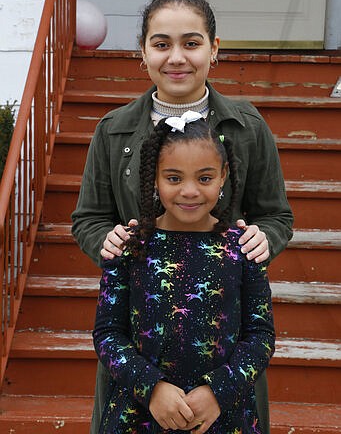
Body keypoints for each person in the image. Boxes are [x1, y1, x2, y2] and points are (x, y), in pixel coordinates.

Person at [71, 0, 293, 433]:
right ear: (143, 52)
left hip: (223, 354)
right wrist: (106, 240)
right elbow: (89, 219)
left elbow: (276, 216)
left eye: (191, 43)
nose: (176, 57)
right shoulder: (113, 131)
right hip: (142, 354)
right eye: (161, 44)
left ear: (214, 48)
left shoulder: (247, 128)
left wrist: (263, 238)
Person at [93, 113, 276, 433]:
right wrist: (151, 388)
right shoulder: (129, 247)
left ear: (223, 176)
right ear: (154, 179)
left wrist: (218, 392)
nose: (189, 191)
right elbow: (108, 334)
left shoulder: (244, 248)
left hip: (224, 417)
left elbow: (261, 337)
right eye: (174, 178)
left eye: (204, 178)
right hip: (139, 417)